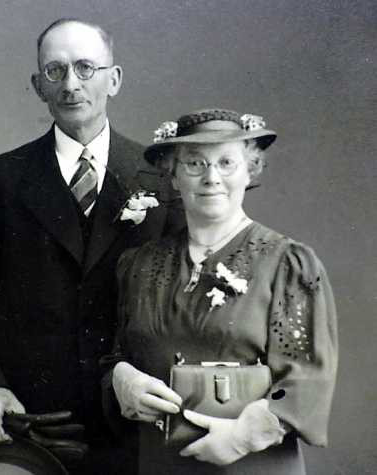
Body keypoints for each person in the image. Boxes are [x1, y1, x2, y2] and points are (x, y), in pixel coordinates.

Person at [0, 18, 183, 475]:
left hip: (136, 424)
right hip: (33, 425)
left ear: (114, 79)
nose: (71, 84)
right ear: (38, 86)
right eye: (55, 71)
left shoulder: (164, 178)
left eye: (86, 68)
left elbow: (185, 304)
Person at [106, 108, 338, 475]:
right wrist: (121, 379)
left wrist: (242, 438)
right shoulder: (140, 265)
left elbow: (307, 378)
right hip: (160, 464)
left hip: (252, 464)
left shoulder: (286, 264)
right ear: (174, 175)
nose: (211, 177)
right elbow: (117, 353)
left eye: (227, 163)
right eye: (194, 163)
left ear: (250, 171)